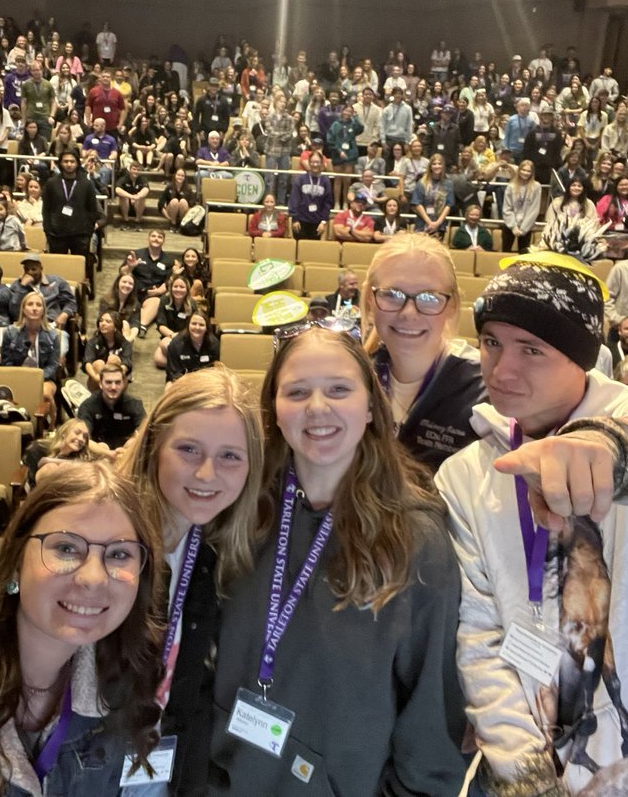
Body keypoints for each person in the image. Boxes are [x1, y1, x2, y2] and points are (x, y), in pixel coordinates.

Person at [436, 253, 628, 795]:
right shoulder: (465, 474)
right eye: (491, 342)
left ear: (583, 356)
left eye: (532, 349)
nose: (501, 370)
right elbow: (480, 638)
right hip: (530, 769)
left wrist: (606, 449)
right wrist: (526, 778)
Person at [208, 327, 467, 795]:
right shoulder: (239, 510)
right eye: (297, 392)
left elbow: (431, 711)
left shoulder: (415, 538)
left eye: (339, 389)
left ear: (371, 407)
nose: (318, 407)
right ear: (274, 411)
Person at [0, 461, 162, 796]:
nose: (93, 578)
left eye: (118, 554)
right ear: (15, 562)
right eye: (66, 548)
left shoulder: (125, 683)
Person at [116, 367, 264, 795]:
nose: (206, 474)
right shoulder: (107, 540)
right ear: (154, 447)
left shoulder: (212, 551)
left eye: (230, 456)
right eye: (188, 450)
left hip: (158, 770)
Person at [359, 233, 484, 470]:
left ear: (452, 305)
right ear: (369, 299)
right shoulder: (354, 379)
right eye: (392, 294)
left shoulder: (483, 389)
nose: (409, 313)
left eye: (429, 297)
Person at [0, 292, 60, 425]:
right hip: (15, 376)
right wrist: (20, 377)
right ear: (23, 309)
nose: (34, 308)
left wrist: (36, 378)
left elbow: (53, 365)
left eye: (38, 305)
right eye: (30, 304)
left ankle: (51, 426)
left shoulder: (52, 335)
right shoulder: (10, 333)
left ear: (43, 310)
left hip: (44, 378)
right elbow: (6, 362)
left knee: (45, 393)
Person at [77, 358, 145, 453]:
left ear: (123, 384)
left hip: (126, 452)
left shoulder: (134, 405)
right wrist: (108, 453)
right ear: (100, 384)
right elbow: (83, 439)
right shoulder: (87, 406)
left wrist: (127, 449)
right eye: (108, 382)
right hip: (98, 452)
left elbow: (145, 434)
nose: (113, 387)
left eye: (117, 382)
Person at [126, 229, 172, 338]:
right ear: (148, 238)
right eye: (153, 236)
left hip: (152, 295)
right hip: (134, 291)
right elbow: (122, 272)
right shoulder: (137, 254)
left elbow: (169, 281)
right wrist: (130, 267)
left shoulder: (168, 260)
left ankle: (141, 325)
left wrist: (159, 291)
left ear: (163, 241)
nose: (156, 239)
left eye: (160, 237)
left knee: (156, 302)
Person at [165, 309, 219, 383]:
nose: (197, 327)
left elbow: (215, 370)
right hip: (181, 381)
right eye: (194, 324)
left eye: (201, 325)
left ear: (206, 328)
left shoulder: (214, 344)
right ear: (188, 325)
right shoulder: (176, 344)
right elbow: (173, 373)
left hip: (205, 381)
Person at [501, 158, 542, 253]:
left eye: (528, 171)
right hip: (510, 225)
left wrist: (523, 229)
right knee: (505, 252)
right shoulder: (511, 186)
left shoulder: (536, 186)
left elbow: (534, 209)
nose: (525, 173)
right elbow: (507, 208)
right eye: (523, 170)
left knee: (523, 254)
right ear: (519, 170)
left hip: (526, 227)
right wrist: (513, 226)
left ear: (532, 173)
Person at [84, 311, 135, 387]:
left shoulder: (125, 344)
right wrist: (95, 377)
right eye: (101, 321)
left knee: (113, 359)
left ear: (116, 326)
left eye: (108, 321)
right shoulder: (92, 342)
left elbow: (126, 364)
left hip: (116, 381)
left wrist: (114, 378)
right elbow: (87, 362)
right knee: (99, 363)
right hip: (97, 381)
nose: (103, 324)